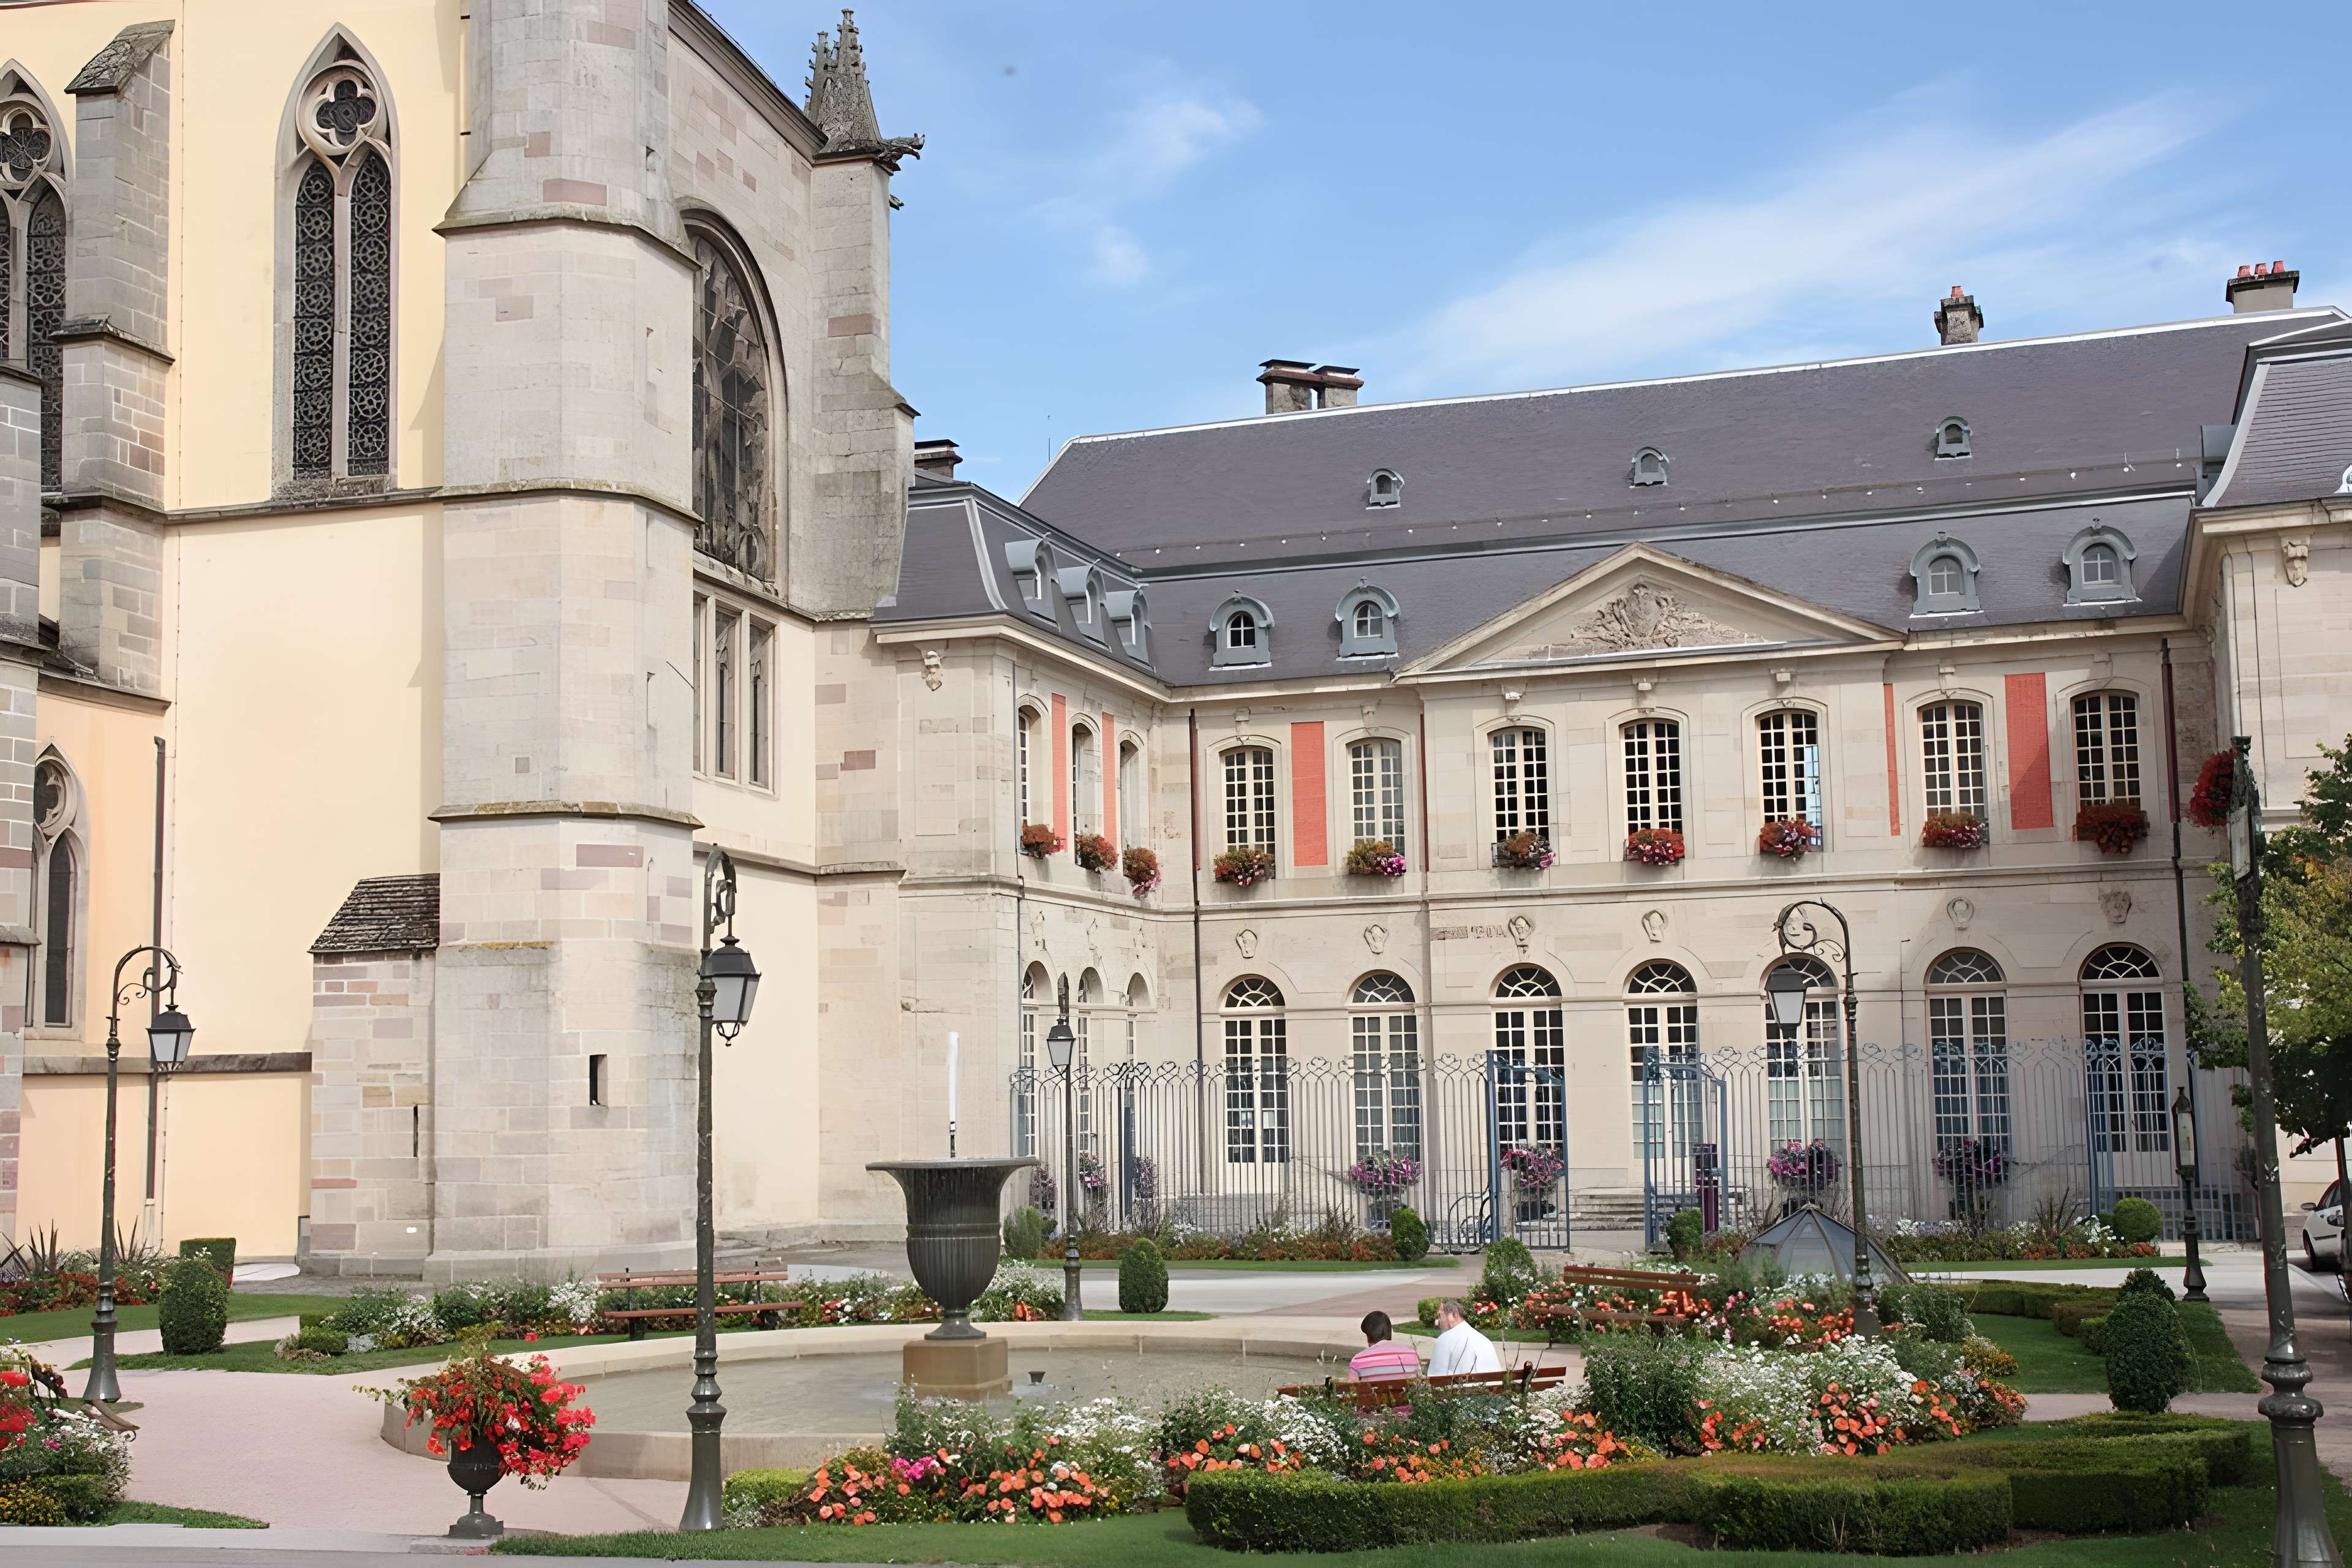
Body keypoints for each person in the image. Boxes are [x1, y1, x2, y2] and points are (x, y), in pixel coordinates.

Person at [1427, 1298, 1502, 1378]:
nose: (1439, 1321)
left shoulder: (1444, 1340)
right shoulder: (1485, 1340)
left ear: (1454, 1314)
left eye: (1441, 1316)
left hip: (1459, 1385)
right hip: (1489, 1384)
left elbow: (1435, 1377)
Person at [1344, 1310, 1422, 1382]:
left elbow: (1352, 1389)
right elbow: (1419, 1382)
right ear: (1389, 1332)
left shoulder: (1359, 1360)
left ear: (1368, 1337)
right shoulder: (1411, 1354)